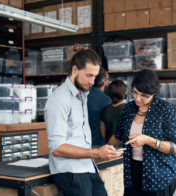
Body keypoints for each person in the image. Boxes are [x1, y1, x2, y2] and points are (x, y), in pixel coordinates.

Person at [45, 46, 123, 196]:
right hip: (70, 171)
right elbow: (57, 147)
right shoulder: (60, 99)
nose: (93, 81)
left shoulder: (82, 95)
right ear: (74, 70)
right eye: (88, 75)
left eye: (94, 76)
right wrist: (97, 152)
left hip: (87, 166)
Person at [108, 69, 176, 196]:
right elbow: (118, 136)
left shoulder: (166, 110)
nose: (137, 98)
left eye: (144, 95)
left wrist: (147, 140)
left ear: (154, 93)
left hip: (158, 174)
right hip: (132, 172)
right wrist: (103, 151)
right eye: (135, 92)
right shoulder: (129, 108)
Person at [87, 67, 111, 146]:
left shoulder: (84, 95)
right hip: (98, 143)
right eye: (107, 78)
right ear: (104, 82)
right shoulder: (106, 101)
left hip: (83, 142)